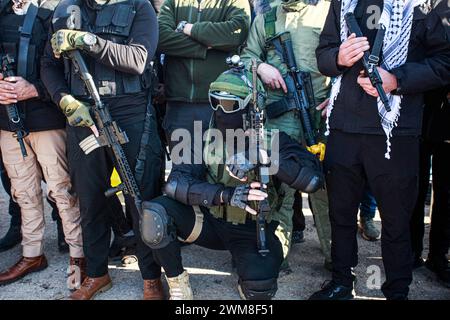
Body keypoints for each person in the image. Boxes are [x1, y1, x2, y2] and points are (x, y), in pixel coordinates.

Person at [140, 67, 324, 300]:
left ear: (250, 106)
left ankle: (246, 263)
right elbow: (176, 183)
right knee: (155, 213)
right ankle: (177, 282)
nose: (219, 110)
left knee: (259, 291)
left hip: (255, 229)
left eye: (229, 105)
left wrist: (265, 158)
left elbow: (313, 180)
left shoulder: (274, 140)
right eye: (214, 101)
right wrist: (225, 194)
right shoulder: (202, 135)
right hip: (211, 221)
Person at [310, 0, 450, 300]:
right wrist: (338, 57)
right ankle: (341, 283)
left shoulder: (426, 5)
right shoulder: (344, 2)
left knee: (397, 220)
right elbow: (323, 55)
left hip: (396, 131)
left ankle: (397, 291)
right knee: (341, 214)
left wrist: (396, 80)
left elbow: (445, 62)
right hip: (344, 125)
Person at [41, 0, 165, 300]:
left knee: (142, 197)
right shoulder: (64, 9)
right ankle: (97, 273)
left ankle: (151, 278)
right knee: (90, 197)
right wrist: (63, 99)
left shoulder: (139, 7)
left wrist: (87, 40)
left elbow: (138, 59)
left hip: (131, 113)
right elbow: (48, 64)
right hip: (82, 115)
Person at [240, 0, 333, 270]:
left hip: (320, 115)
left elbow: (345, 59)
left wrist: (338, 91)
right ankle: (276, 255)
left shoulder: (329, 11)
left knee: (326, 191)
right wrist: (259, 67)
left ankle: (335, 258)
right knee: (278, 191)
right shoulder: (266, 19)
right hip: (279, 118)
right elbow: (246, 58)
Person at [0, 0, 84, 286]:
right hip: (7, 122)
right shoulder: (2, 12)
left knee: (62, 190)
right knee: (22, 192)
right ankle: (32, 253)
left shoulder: (55, 11)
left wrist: (33, 88)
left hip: (46, 118)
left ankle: (79, 256)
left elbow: (68, 70)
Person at [157, 0, 251, 156]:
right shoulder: (173, 2)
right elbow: (160, 37)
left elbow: (236, 33)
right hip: (180, 107)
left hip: (222, 106)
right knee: (184, 173)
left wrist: (188, 28)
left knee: (221, 173)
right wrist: (206, 46)